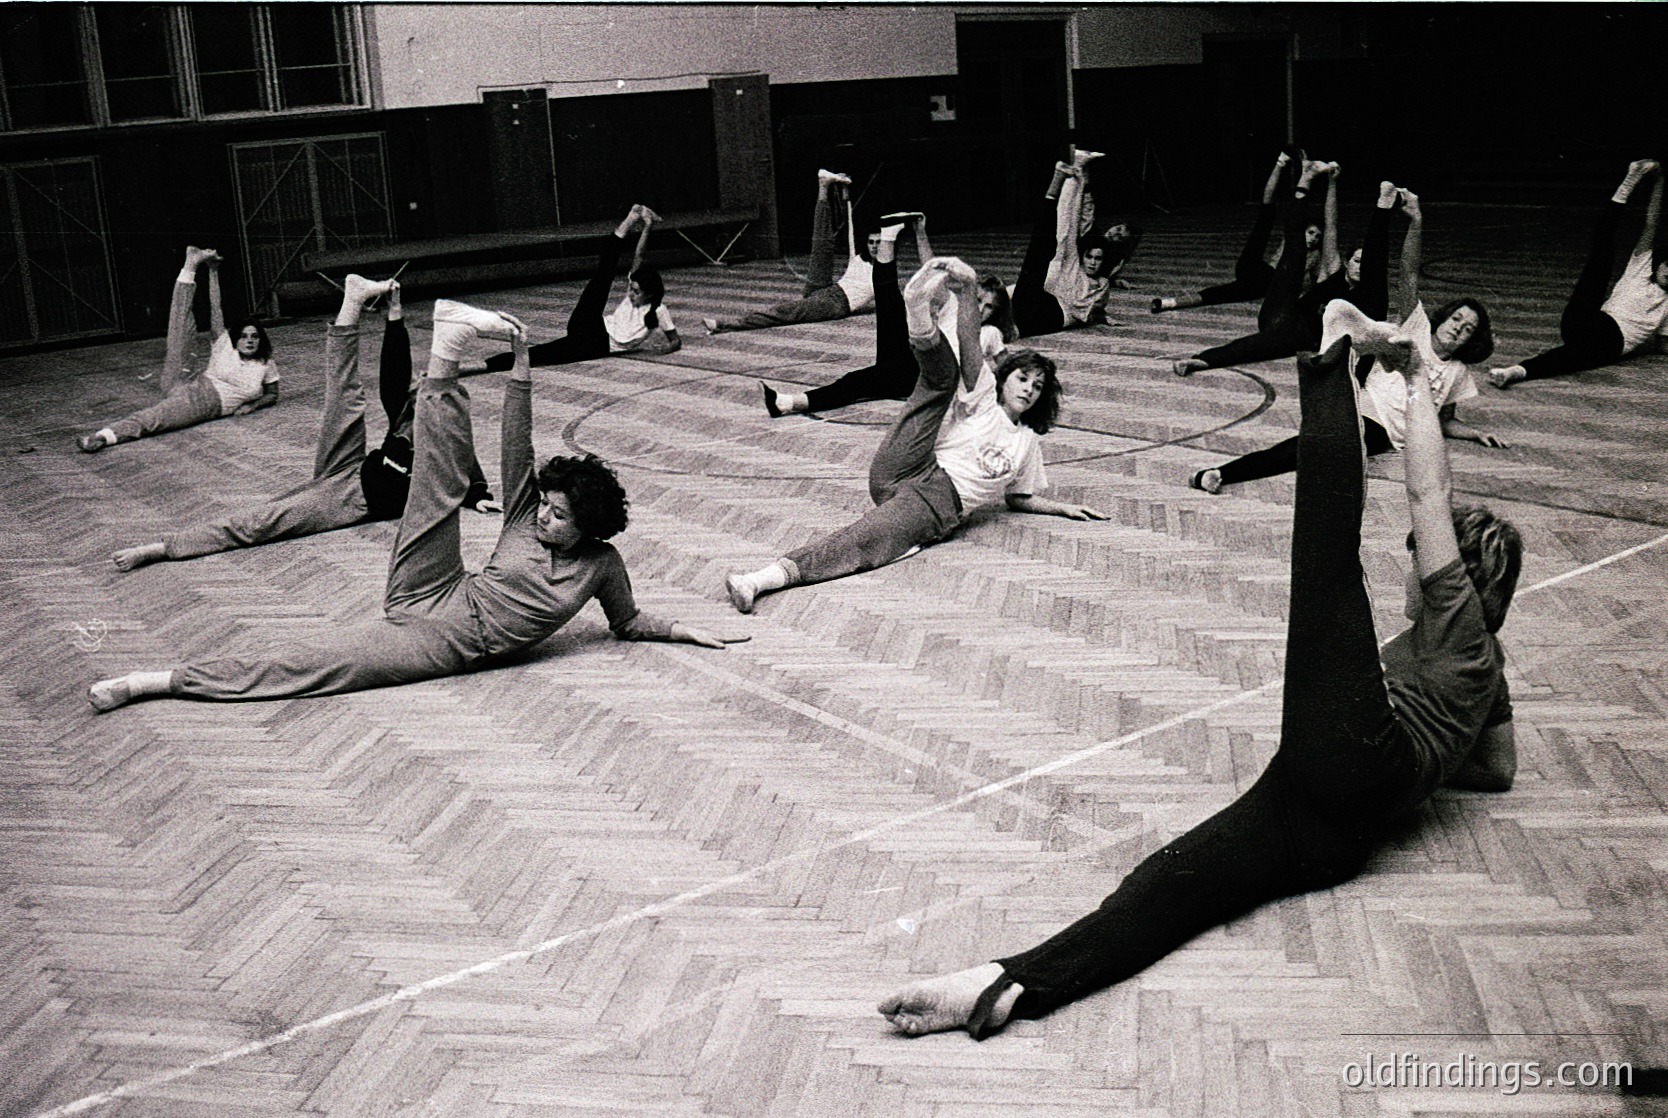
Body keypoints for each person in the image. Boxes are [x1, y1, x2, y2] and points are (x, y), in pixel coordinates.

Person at [878, 305, 1524, 1042]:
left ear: (1457, 578)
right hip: (1334, 826)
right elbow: (1498, 770)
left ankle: (1329, 353)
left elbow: (1426, 495)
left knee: (1329, 565)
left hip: (1357, 758)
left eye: (1421, 557)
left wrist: (1410, 378)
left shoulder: (1457, 616)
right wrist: (1425, 772)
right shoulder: (1487, 665)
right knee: (1171, 884)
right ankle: (1009, 982)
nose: (1412, 566)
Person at [88, 299, 736, 712]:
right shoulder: (523, 516)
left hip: (442, 640)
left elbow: (628, 621)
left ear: (591, 526)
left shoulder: (602, 565)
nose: (543, 517)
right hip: (441, 586)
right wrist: (520, 363)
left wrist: (684, 631)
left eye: (560, 516)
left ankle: (162, 680)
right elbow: (518, 441)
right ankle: (447, 352)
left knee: (323, 667)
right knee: (441, 482)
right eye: (546, 507)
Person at [724, 257, 1106, 614]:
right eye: (1023, 379)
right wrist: (969, 287)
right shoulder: (985, 396)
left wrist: (1063, 508)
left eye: (1037, 387)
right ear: (1007, 378)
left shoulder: (1027, 442)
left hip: (938, 504)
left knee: (861, 540)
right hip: (909, 466)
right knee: (943, 380)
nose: (1028, 389)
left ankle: (760, 581)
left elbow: (1019, 498)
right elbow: (971, 340)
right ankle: (919, 316)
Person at [108, 277, 497, 572]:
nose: (417, 385)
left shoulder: (449, 438)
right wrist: (394, 312)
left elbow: (469, 470)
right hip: (351, 467)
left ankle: (165, 547)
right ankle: (352, 301)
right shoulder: (408, 415)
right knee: (344, 394)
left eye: (425, 385)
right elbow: (395, 373)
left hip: (349, 500)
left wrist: (478, 494)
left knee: (264, 522)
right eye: (419, 384)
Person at [1190, 189, 1507, 495]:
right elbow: (1409, 273)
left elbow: (1445, 421)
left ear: (1471, 339)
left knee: (1314, 449)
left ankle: (1217, 473)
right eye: (1457, 319)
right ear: (1446, 317)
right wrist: (1416, 223)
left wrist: (1477, 433)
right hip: (1363, 405)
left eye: (1467, 329)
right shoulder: (1418, 328)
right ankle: (1223, 472)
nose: (1458, 329)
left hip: (1386, 434)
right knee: (1318, 447)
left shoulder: (1458, 373)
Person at [760, 213, 1018, 418]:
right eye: (978, 301)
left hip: (927, 375)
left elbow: (1004, 371)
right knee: (885, 316)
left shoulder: (990, 333)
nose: (981, 310)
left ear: (997, 313)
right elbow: (932, 270)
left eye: (989, 307)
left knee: (866, 369)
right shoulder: (954, 307)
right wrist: (920, 232)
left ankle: (789, 402)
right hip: (909, 360)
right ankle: (787, 403)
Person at [78, 247, 279, 452]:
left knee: (157, 417)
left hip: (204, 402)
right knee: (182, 328)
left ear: (261, 340)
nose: (249, 340)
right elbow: (216, 308)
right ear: (236, 339)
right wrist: (212, 271)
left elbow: (273, 394)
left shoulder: (265, 363)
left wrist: (252, 406)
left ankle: (103, 436)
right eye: (244, 336)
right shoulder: (225, 345)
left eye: (255, 336)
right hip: (189, 379)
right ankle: (190, 265)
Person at [1489, 159, 1667, 387]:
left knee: (1569, 358)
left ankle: (1514, 372)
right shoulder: (1641, 270)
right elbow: (1651, 224)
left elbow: (1663, 346)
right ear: (1659, 263)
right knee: (1602, 252)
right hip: (1588, 320)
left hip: (1609, 347)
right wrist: (1659, 180)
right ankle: (1628, 182)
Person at [476, 204, 679, 372]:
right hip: (590, 323)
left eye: (636, 292)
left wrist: (666, 348)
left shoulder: (659, 311)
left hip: (596, 345)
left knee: (539, 355)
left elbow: (675, 340)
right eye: (631, 289)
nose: (630, 294)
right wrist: (647, 226)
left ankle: (481, 365)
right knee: (603, 274)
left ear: (650, 293)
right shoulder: (636, 291)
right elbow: (639, 256)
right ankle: (631, 217)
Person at [1151, 148, 1325, 315]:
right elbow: (1296, 207)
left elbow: (1316, 282)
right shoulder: (1293, 238)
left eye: (1318, 236)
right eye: (1311, 233)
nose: (1314, 238)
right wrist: (1304, 175)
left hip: (1264, 286)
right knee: (1265, 218)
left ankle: (1166, 304)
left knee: (1221, 294)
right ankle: (1280, 162)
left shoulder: (1316, 255)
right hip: (1259, 270)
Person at [704, 169, 878, 335]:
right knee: (823, 245)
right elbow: (850, 224)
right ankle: (823, 186)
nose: (874, 246)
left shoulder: (882, 274)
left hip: (833, 303)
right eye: (871, 242)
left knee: (783, 313)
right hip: (826, 288)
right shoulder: (859, 259)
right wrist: (844, 189)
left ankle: (725, 325)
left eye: (879, 243)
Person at [1009, 149, 1117, 338]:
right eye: (1090, 257)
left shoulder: (1102, 285)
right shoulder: (1076, 269)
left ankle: (1073, 171)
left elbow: (1094, 310)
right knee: (1064, 228)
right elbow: (1074, 220)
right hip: (1047, 302)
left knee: (1026, 292)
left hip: (1053, 313)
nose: (1092, 262)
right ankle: (1073, 170)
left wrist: (1102, 316)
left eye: (1098, 259)